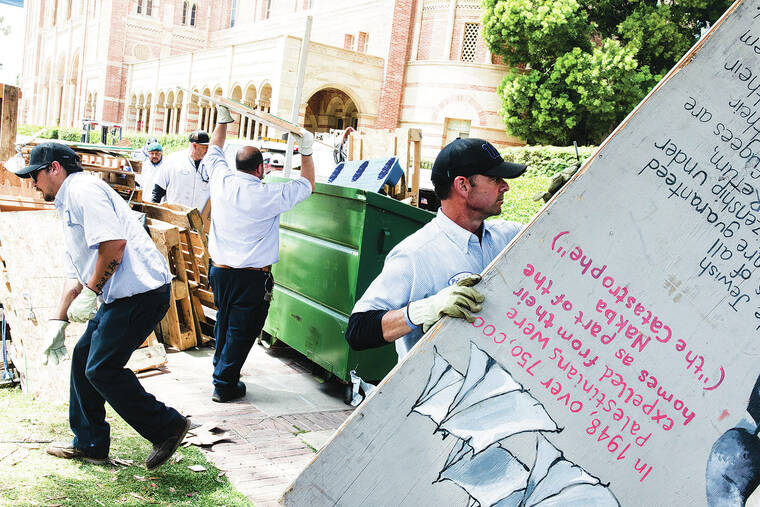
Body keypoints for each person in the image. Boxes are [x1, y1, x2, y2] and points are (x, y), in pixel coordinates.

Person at [11, 142, 189, 468]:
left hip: (140, 292)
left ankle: (167, 427)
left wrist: (92, 291)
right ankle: (90, 443)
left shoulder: (83, 191)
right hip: (119, 295)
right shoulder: (67, 200)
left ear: (54, 168)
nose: (32, 183)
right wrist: (58, 322)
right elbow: (74, 274)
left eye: (35, 175)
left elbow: (114, 245)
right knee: (83, 359)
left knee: (102, 368)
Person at [345, 138, 527, 360]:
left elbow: (556, 238)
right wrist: (426, 309)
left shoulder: (509, 236)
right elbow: (358, 330)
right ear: (463, 185)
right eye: (496, 179)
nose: (505, 186)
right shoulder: (416, 254)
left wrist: (562, 200)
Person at [203, 105, 315, 402]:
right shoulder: (268, 194)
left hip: (220, 272)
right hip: (251, 278)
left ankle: (221, 371)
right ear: (260, 168)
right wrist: (306, 151)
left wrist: (223, 121)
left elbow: (214, 149)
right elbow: (307, 184)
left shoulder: (221, 181)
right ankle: (224, 384)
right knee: (242, 330)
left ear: (237, 165)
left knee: (225, 322)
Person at [151, 130, 210, 211]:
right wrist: (152, 212)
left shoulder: (209, 164)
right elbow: (158, 190)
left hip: (198, 217)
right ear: (194, 146)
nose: (207, 150)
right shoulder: (173, 160)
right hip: (174, 215)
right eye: (204, 147)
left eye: (208, 147)